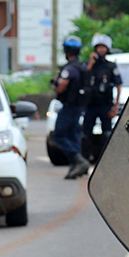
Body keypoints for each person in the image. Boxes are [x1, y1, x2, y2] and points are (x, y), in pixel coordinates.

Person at [52, 36, 90, 179]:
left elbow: (60, 87)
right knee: (74, 135)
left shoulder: (69, 69)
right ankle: (76, 167)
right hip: (79, 107)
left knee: (59, 135)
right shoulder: (82, 66)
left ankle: (78, 160)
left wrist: (55, 83)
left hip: (69, 106)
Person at [81, 34, 122, 160]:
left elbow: (118, 85)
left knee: (107, 134)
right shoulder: (89, 64)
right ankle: (84, 159)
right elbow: (82, 78)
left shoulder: (111, 66)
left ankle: (105, 159)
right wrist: (91, 63)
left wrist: (115, 108)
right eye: (99, 47)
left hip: (105, 105)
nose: (101, 50)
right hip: (90, 105)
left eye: (103, 47)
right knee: (85, 135)